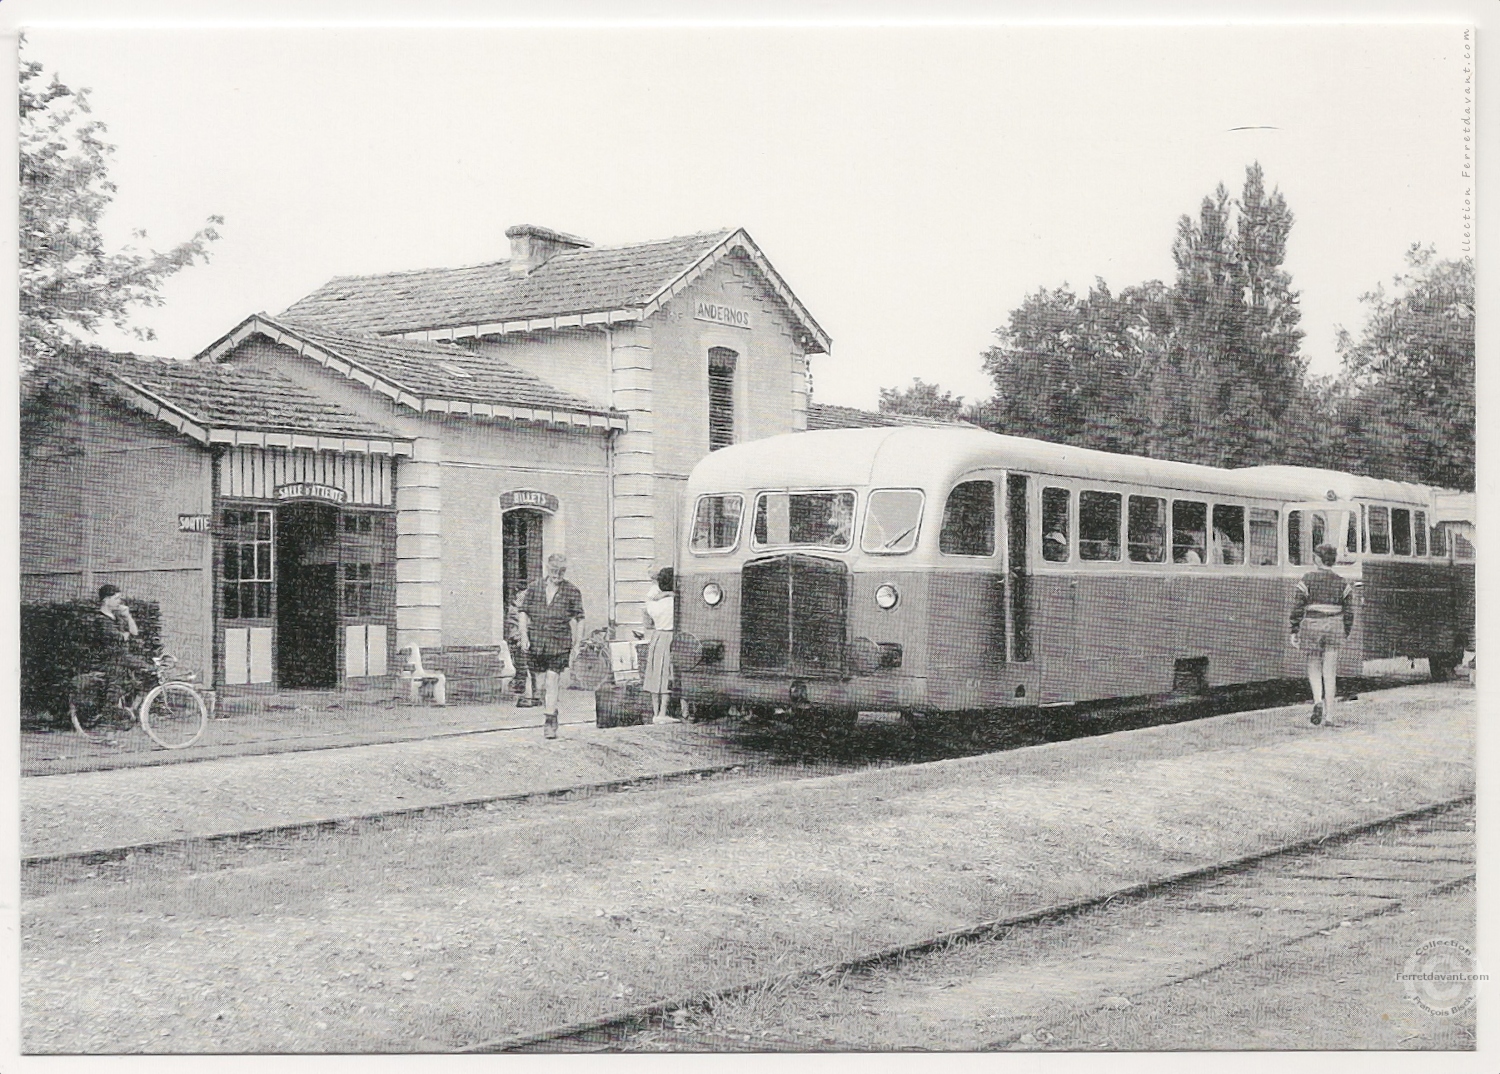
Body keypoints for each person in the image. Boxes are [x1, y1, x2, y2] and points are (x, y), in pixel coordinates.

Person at [516, 554, 585, 739]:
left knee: (552, 680)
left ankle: (549, 720)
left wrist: (578, 644)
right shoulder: (534, 588)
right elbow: (523, 612)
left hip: (559, 642)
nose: (558, 575)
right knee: (540, 685)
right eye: (555, 570)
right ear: (547, 568)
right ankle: (551, 710)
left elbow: (580, 619)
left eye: (562, 571)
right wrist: (523, 635)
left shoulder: (572, 591)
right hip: (537, 641)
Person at [1289, 543, 1355, 726]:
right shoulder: (1342, 582)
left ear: (1317, 559)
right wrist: (1346, 630)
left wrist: (1294, 628)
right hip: (1334, 624)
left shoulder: (1307, 580)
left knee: (1313, 666)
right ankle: (1329, 716)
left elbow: (1298, 606)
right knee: (1330, 672)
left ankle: (1317, 700)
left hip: (1312, 624)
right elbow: (1349, 612)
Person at [93, 584, 150, 711]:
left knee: (145, 674)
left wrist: (128, 615)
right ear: (106, 600)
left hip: (122, 657)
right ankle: (110, 711)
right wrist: (124, 635)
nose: (120, 601)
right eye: (117, 598)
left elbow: (134, 632)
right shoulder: (100, 619)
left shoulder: (117, 617)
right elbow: (119, 637)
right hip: (111, 658)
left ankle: (130, 709)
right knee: (116, 684)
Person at [641, 567, 677, 724]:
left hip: (656, 636)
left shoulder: (652, 604)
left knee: (655, 674)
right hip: (670, 636)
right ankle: (663, 713)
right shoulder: (675, 603)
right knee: (667, 674)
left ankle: (655, 712)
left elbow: (647, 624)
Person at [506, 588, 539, 708]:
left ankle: (527, 697)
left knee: (524, 669)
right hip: (528, 641)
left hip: (524, 642)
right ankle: (534, 696)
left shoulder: (519, 609)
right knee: (530, 670)